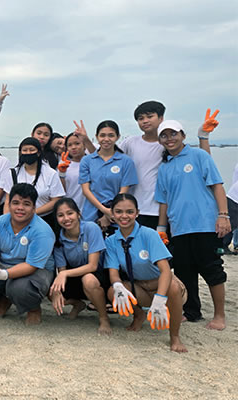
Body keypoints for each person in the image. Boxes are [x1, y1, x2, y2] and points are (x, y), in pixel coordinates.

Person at [156, 120, 228, 330]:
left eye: (173, 134)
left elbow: (217, 186)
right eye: (164, 135)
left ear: (183, 135)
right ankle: (191, 311)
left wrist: (223, 215)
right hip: (178, 227)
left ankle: (219, 316)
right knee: (185, 272)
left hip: (205, 224)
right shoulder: (165, 166)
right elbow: (164, 200)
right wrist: (161, 228)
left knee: (212, 269)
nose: (169, 139)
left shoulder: (199, 156)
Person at [103, 194, 187, 352]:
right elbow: (113, 273)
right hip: (139, 287)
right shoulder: (111, 241)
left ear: (137, 213)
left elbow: (166, 271)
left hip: (163, 284)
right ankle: (139, 315)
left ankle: (175, 336)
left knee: (173, 288)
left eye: (129, 211)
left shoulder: (149, 234)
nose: (124, 216)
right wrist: (118, 286)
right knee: (113, 291)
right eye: (119, 212)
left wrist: (160, 299)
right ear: (112, 214)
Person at [0, 183, 55, 325]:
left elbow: (32, 266)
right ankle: (2, 300)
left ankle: (33, 309)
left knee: (19, 288)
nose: (20, 208)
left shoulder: (42, 231)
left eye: (26, 204)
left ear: (34, 208)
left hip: (36, 269)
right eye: (15, 203)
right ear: (9, 204)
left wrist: (5, 274)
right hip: (4, 264)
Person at [121, 101, 211, 229]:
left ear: (161, 118)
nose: (145, 121)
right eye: (141, 118)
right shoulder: (130, 142)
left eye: (150, 116)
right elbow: (108, 157)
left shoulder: (169, 143)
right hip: (137, 209)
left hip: (166, 209)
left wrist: (203, 136)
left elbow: (203, 161)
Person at [49, 198, 110, 334]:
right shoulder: (58, 238)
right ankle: (77, 304)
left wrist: (64, 274)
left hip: (99, 276)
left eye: (70, 213)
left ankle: (103, 318)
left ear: (78, 213)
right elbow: (62, 270)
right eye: (60, 215)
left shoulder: (91, 228)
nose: (66, 218)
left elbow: (92, 266)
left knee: (88, 279)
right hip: (75, 275)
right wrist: (57, 290)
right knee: (52, 290)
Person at [79, 120, 138, 232]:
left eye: (111, 135)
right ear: (96, 137)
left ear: (117, 137)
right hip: (91, 214)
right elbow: (86, 190)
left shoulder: (126, 161)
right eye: (102, 135)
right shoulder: (87, 160)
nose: (106, 139)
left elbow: (124, 191)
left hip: (117, 215)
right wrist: (104, 210)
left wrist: (110, 213)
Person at [0, 137, 65, 230]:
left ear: (38, 152)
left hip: (44, 220)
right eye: (25, 150)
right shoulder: (13, 173)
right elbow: (8, 201)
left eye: (32, 150)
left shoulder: (50, 173)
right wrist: (7, 221)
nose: (28, 153)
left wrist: (32, 213)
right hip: (18, 222)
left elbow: (56, 199)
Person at [57, 133, 86, 210]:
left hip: (91, 211)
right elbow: (61, 191)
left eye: (77, 143)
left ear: (84, 145)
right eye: (69, 145)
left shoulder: (92, 163)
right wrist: (62, 173)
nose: (73, 147)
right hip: (71, 210)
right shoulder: (63, 165)